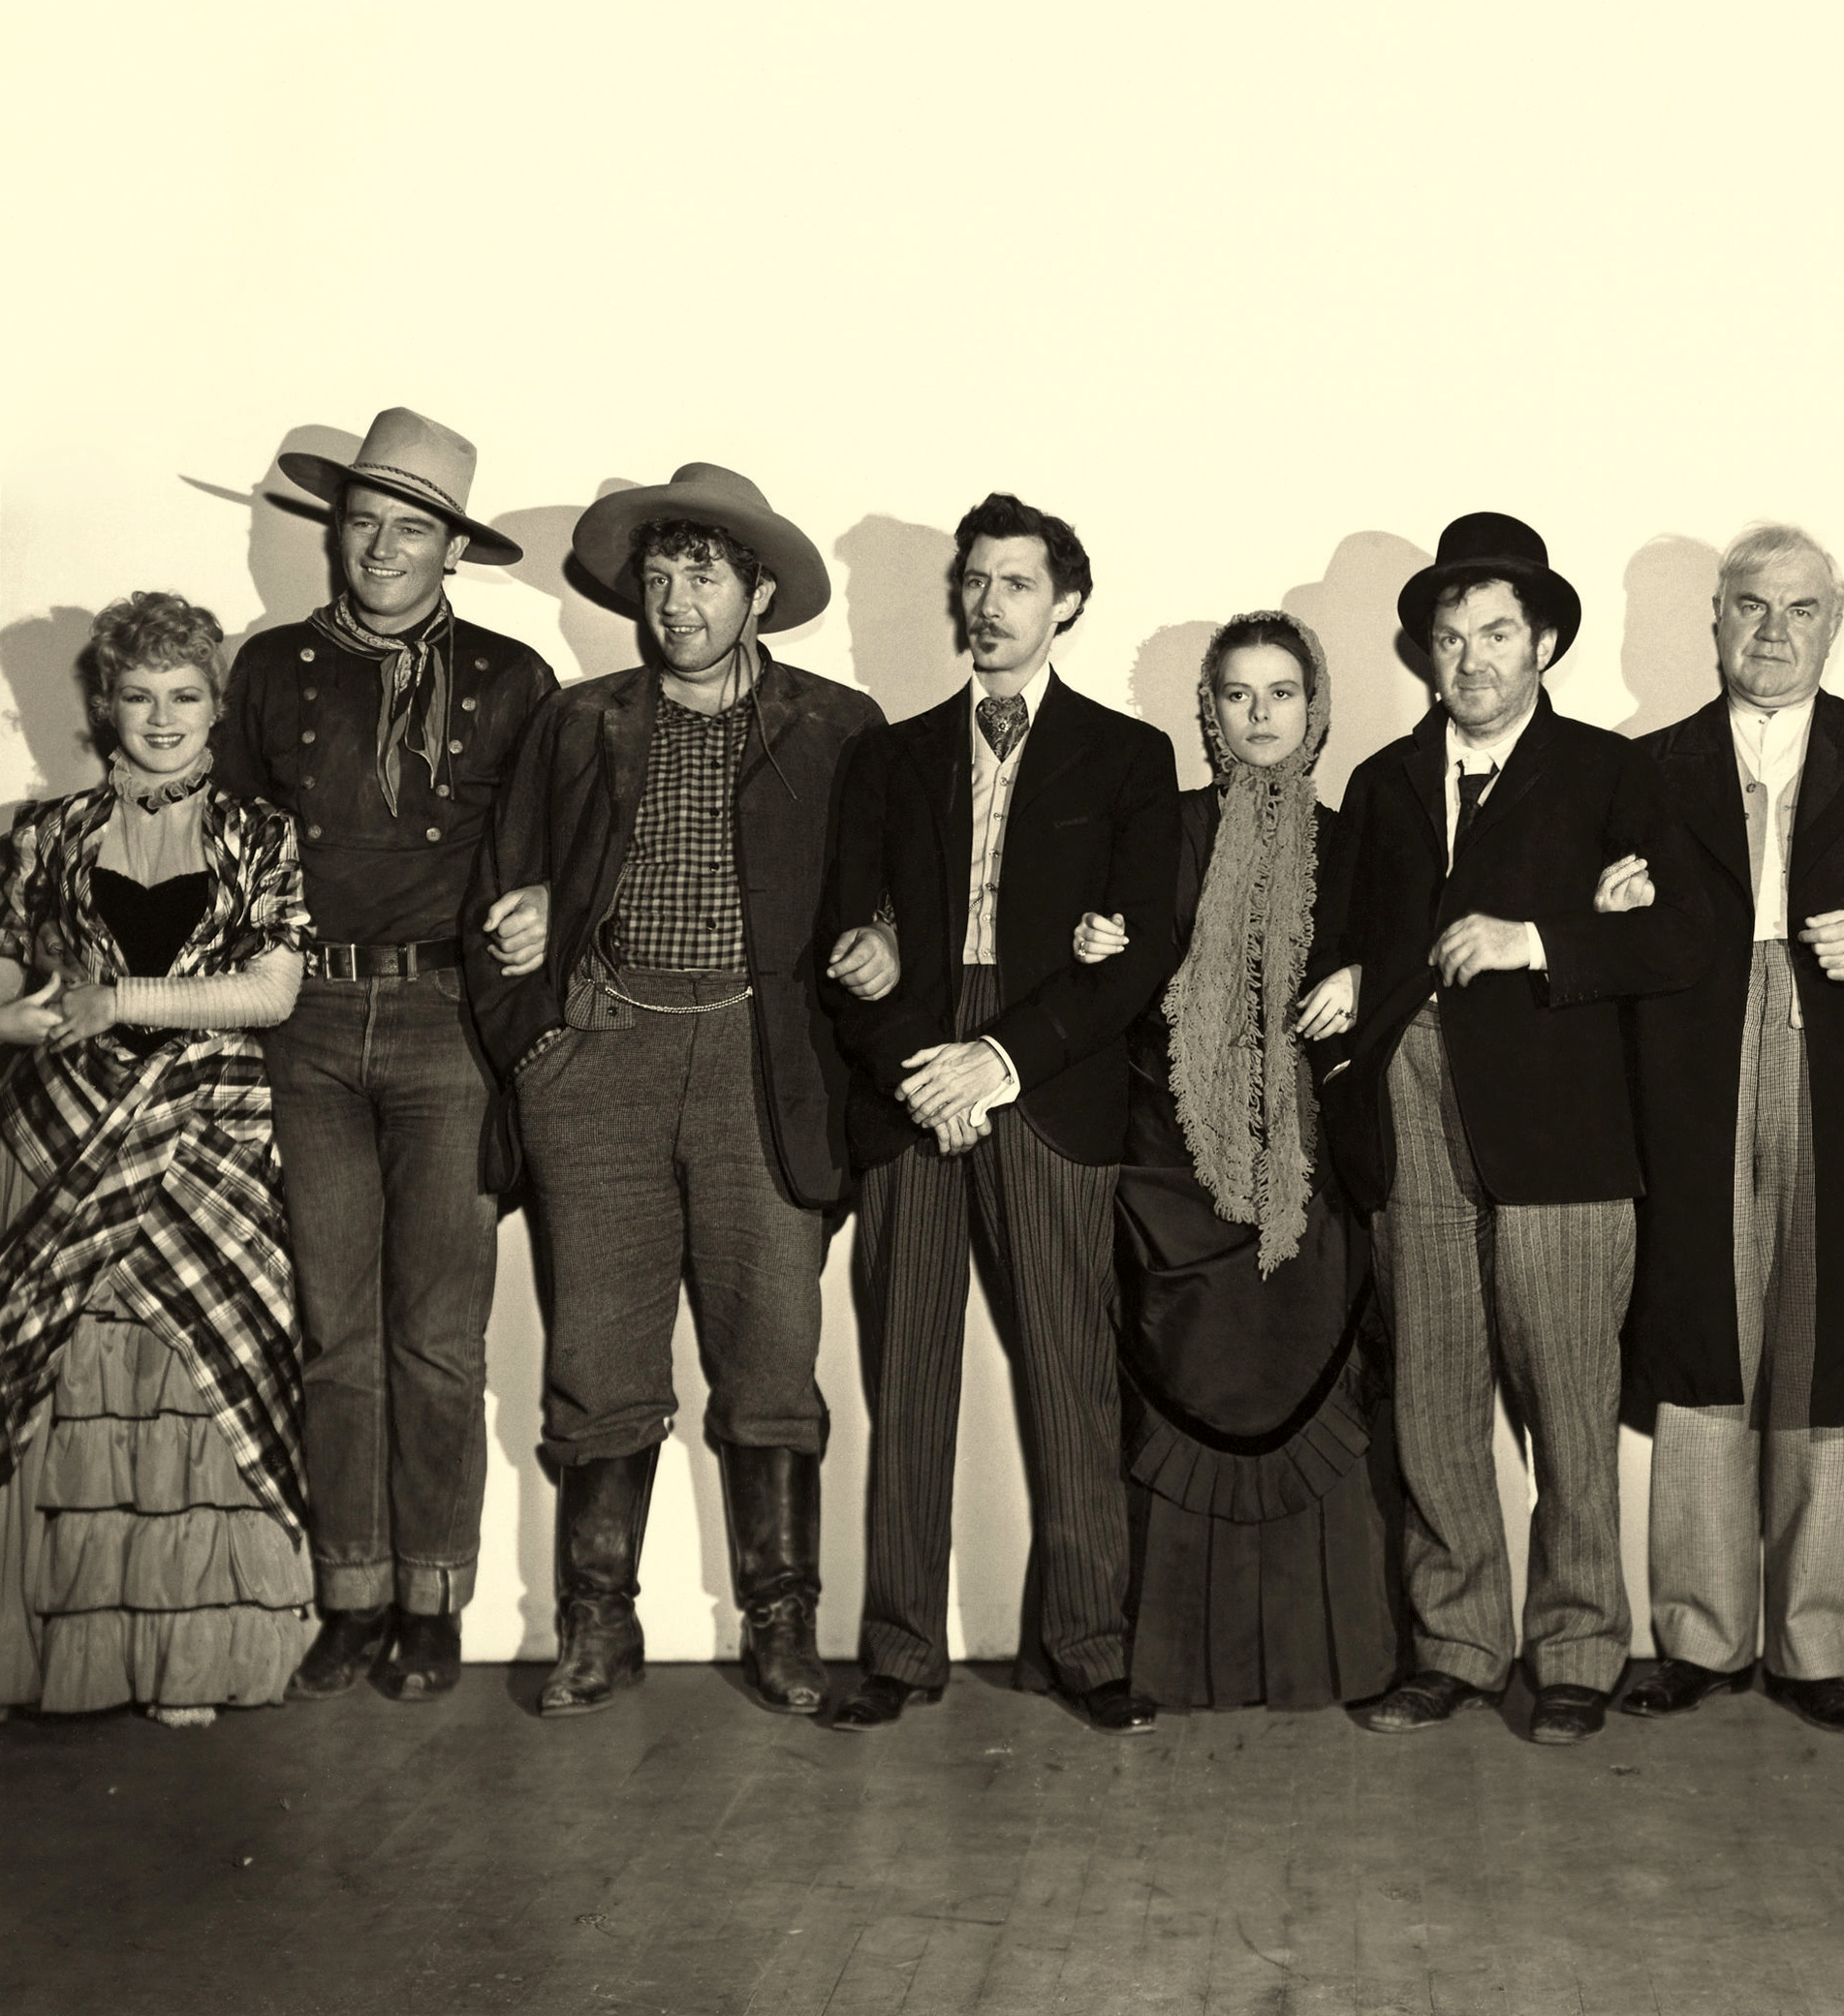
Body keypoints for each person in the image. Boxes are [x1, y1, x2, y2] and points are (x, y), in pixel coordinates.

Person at [466, 465, 884, 1720]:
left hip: (763, 1061)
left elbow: (889, 883)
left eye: (703, 575)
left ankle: (783, 1622)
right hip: (604, 1057)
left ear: (761, 593)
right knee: (597, 1353)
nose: (675, 600)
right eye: (657, 576)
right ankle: (597, 1623)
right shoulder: (580, 721)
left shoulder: (837, 726)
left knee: (772, 1350)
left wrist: (884, 937)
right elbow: (508, 884)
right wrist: (539, 1019)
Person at [1325, 512, 1705, 1747]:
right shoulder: (1383, 782)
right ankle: (1457, 1645)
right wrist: (1354, 986)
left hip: (1563, 1126)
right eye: (1451, 638)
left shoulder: (1611, 772)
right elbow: (1353, 938)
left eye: (1497, 633)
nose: (1472, 658)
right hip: (1414, 1107)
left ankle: (1579, 1650)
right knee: (1434, 1395)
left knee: (1569, 1401)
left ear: (1543, 643)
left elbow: (1683, 937)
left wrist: (1539, 938)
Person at [1616, 522, 1844, 1737]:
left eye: (1802, 609)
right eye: (1752, 607)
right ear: (1716, 615)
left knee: (1830, 1351)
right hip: (1693, 1079)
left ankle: (1815, 1648)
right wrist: (1606, 906)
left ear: (1838, 617)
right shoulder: (1646, 766)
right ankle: (1699, 1639)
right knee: (1704, 1345)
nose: (1774, 633)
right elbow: (1604, 931)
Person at [213, 407, 554, 1703]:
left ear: (451, 547)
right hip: (303, 1021)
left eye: (412, 529)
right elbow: (225, 848)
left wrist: (542, 907)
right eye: (364, 522)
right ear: (335, 530)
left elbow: (556, 846)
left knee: (438, 1337)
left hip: (446, 1025)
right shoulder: (269, 668)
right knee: (335, 1329)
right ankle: (351, 1592)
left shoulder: (513, 679)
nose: (381, 549)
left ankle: (434, 1598)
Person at [826, 492, 1177, 1737]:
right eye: (975, 581)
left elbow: (1137, 957)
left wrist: (999, 1059)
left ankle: (1091, 1647)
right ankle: (899, 1648)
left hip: (1047, 1076)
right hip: (915, 1077)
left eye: (1016, 582)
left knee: (1072, 1376)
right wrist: (922, 1070)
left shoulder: (1129, 757)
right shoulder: (892, 755)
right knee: (908, 1376)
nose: (989, 604)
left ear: (1065, 601)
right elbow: (847, 945)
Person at [1067, 611, 1398, 1710]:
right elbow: (1110, 972)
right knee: (1181, 1367)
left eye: (1282, 693)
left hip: (1307, 1168)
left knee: (1314, 1371)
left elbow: (1399, 959)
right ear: (1208, 711)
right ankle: (1163, 1660)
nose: (1261, 715)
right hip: (1169, 1159)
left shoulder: (1354, 840)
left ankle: (1331, 1659)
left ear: (1316, 706)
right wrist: (1090, 942)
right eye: (1238, 694)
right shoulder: (1157, 829)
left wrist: (1364, 975)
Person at [0, 593, 311, 1724]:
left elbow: (271, 993)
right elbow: (7, 970)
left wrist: (115, 998)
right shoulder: (42, 832)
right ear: (104, 705)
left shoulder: (261, 833)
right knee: (66, 1376)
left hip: (212, 1135)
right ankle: (68, 1656)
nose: (163, 717)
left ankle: (193, 1661)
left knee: (202, 1374)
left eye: (186, 694)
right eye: (139, 695)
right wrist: (21, 1018)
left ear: (217, 705)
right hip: (62, 1130)